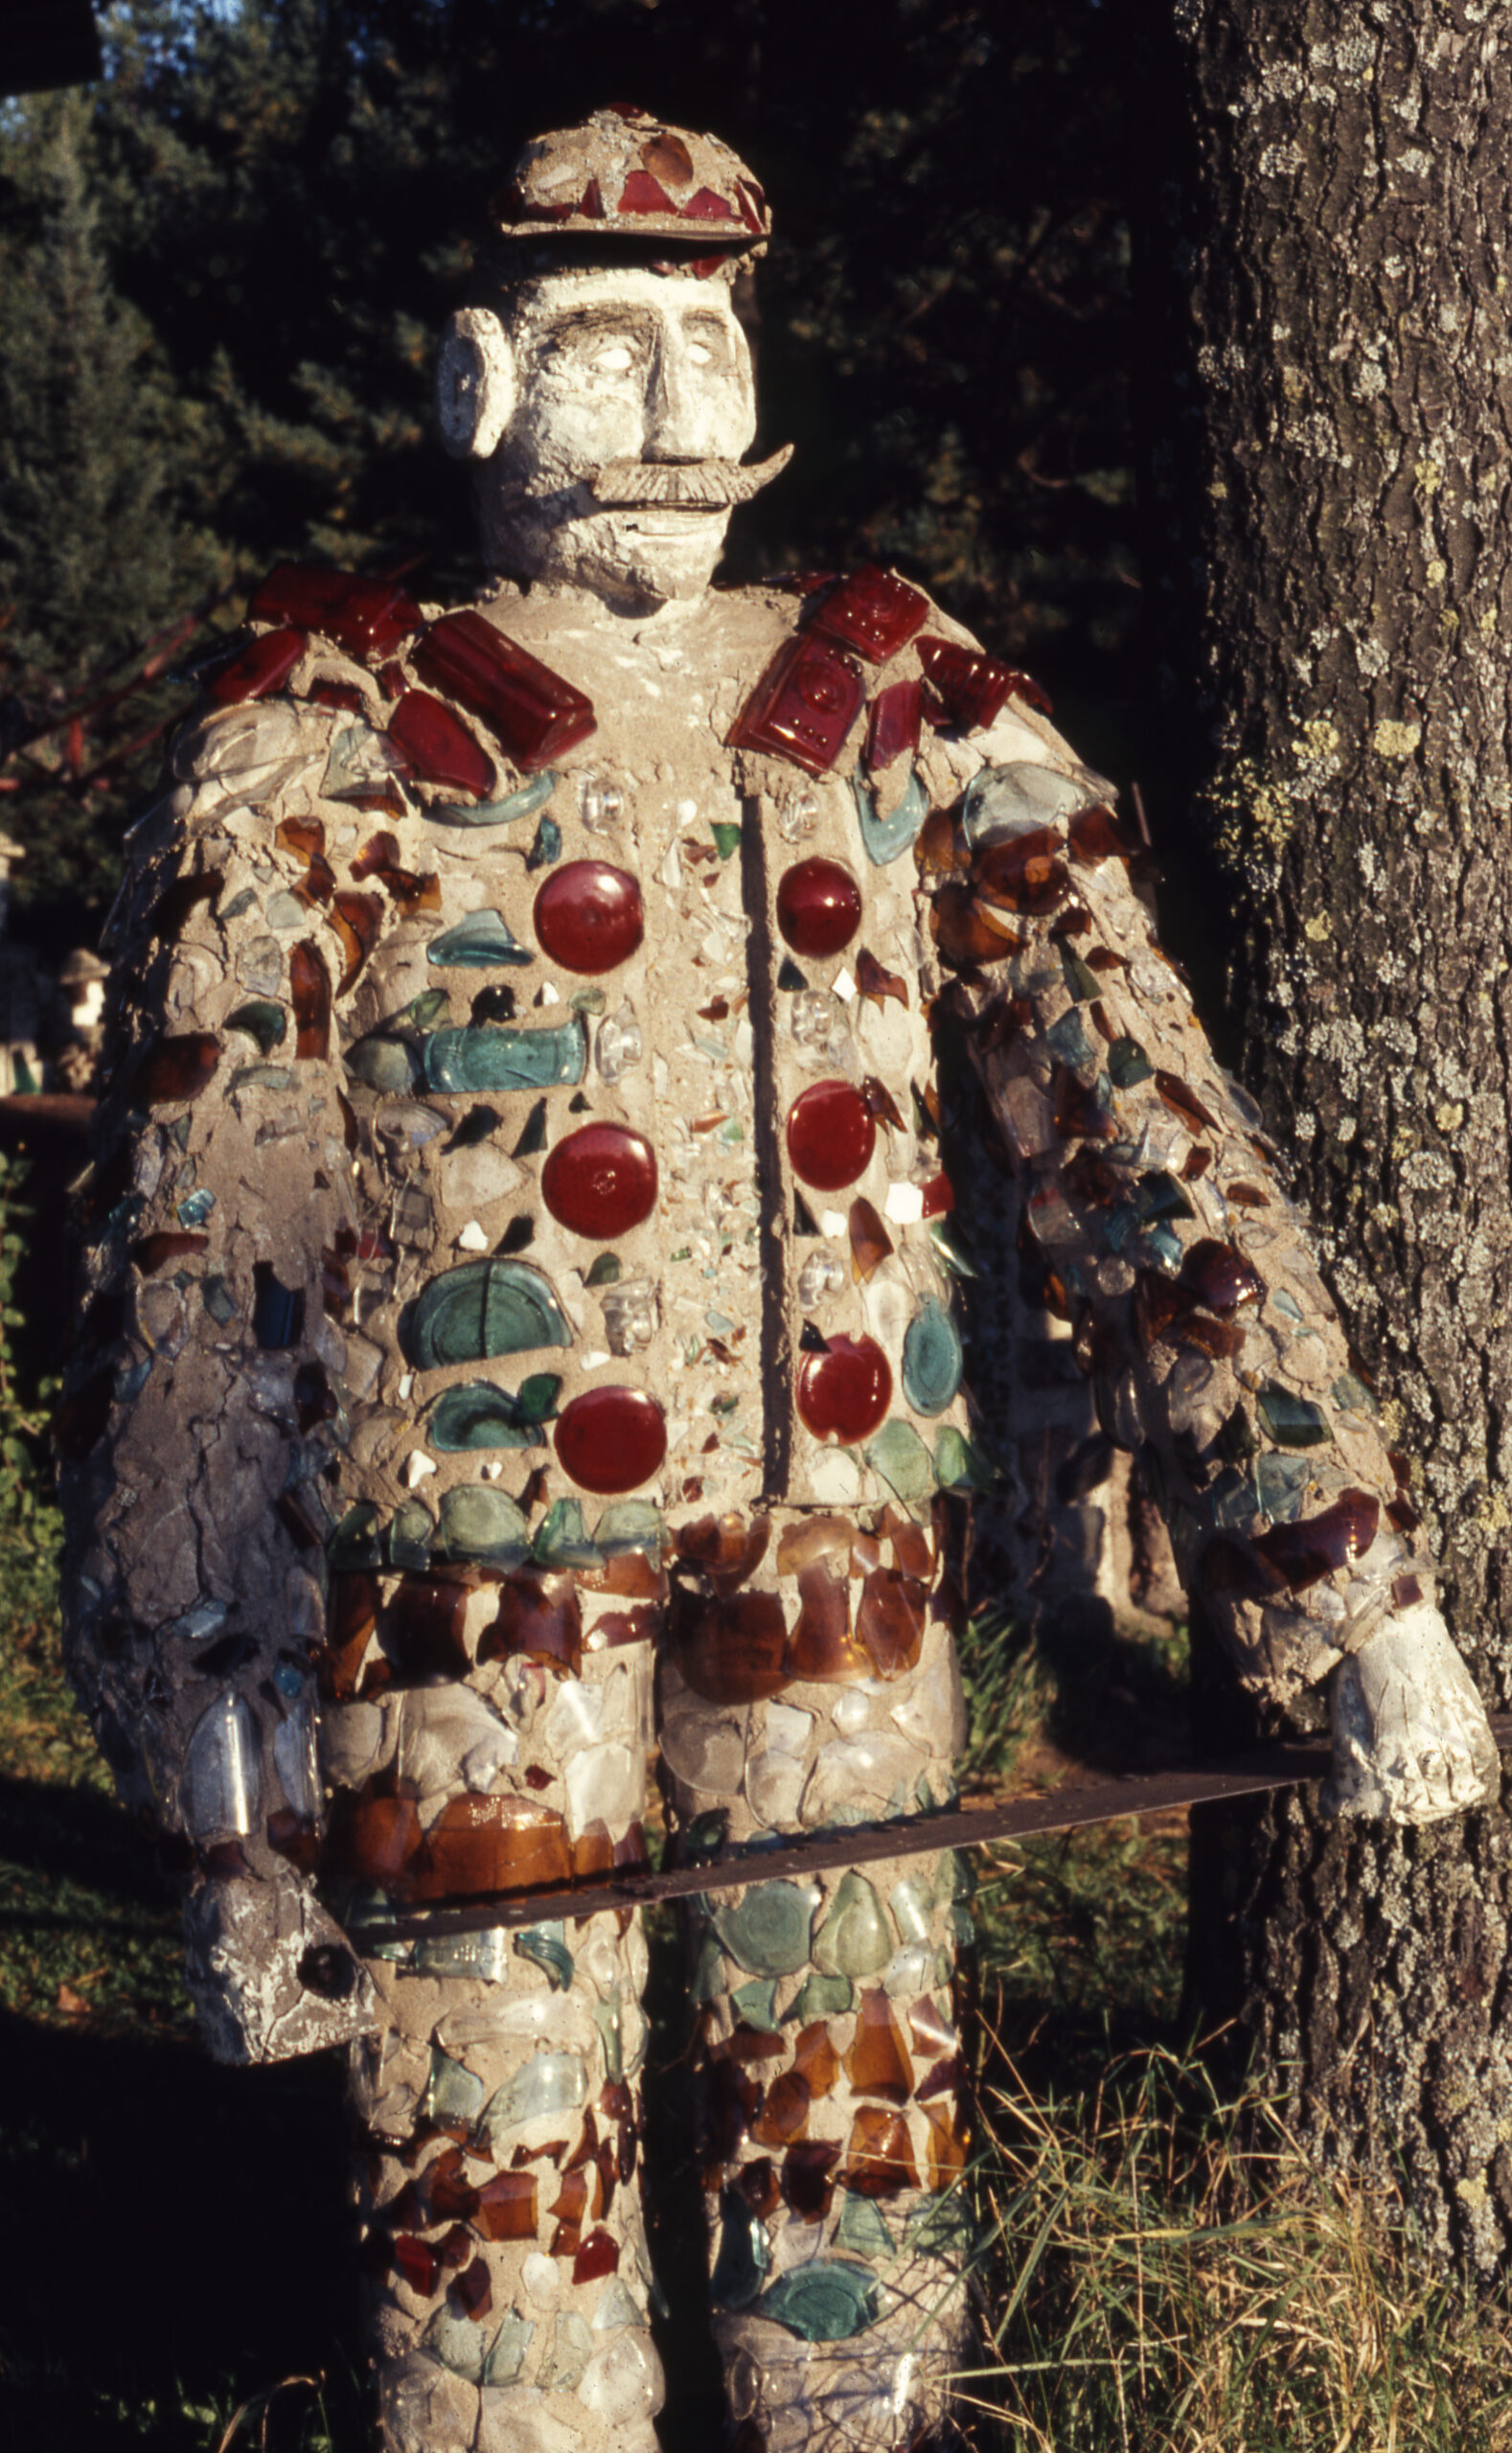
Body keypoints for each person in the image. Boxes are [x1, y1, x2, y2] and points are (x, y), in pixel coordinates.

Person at [61, 103, 1499, 2453]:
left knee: (851, 2127)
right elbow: (207, 1211)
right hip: (462, 1619)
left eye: (705, 341)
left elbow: (1139, 1122)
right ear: (474, 385)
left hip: (838, 1571)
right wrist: (211, 1690)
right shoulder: (327, 723)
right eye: (601, 348)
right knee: (494, 2210)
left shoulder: (891, 698)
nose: (668, 411)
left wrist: (1343, 1569)